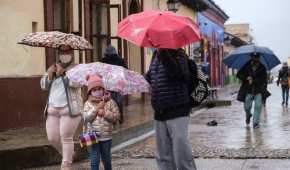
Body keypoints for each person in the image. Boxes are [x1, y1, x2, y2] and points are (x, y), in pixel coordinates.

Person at [145, 48, 196, 170]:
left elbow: (179, 74)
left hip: (177, 109)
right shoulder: (155, 56)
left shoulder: (179, 54)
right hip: (160, 111)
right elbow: (151, 76)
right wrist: (142, 80)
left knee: (181, 152)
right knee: (163, 154)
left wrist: (165, 55)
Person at [40, 45, 83, 170]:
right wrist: (50, 75)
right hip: (52, 108)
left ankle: (66, 165)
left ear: (72, 53)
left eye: (67, 51)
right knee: (52, 138)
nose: (65, 54)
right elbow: (43, 85)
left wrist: (64, 74)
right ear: (58, 53)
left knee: (66, 137)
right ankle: (69, 154)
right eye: (62, 52)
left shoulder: (77, 68)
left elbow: (77, 83)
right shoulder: (53, 67)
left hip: (70, 109)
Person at [83, 75, 120, 170]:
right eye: (94, 90)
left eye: (100, 89)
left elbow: (116, 117)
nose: (98, 91)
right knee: (94, 160)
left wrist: (105, 113)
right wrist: (96, 109)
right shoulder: (87, 103)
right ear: (90, 91)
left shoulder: (110, 102)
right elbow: (86, 118)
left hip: (106, 137)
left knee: (106, 160)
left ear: (104, 89)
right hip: (92, 136)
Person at [237, 53, 268, 129]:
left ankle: (255, 123)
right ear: (251, 58)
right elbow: (238, 74)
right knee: (247, 107)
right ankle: (248, 115)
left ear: (259, 58)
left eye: (257, 58)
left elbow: (264, 80)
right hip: (248, 90)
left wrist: (254, 80)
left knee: (258, 107)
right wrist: (246, 78)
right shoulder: (246, 66)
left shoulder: (262, 68)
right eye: (254, 58)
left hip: (258, 90)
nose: (256, 59)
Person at [101, 45, 127, 124]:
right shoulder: (120, 60)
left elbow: (101, 71)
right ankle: (120, 118)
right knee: (119, 101)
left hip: (107, 83)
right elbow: (125, 70)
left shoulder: (103, 60)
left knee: (109, 101)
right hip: (117, 83)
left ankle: (112, 119)